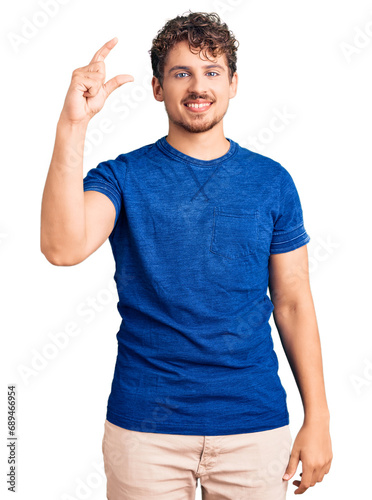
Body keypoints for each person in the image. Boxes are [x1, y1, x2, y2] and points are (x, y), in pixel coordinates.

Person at [40, 10, 333, 500]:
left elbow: (294, 302)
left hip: (253, 427)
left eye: (211, 72)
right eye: (182, 73)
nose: (198, 87)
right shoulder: (122, 177)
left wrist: (318, 418)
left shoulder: (272, 181)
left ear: (233, 83)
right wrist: (73, 124)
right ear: (158, 88)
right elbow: (62, 247)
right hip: (145, 430)